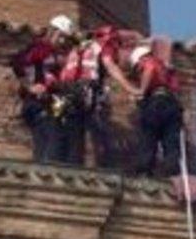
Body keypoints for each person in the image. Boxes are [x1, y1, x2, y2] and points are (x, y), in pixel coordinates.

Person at [53, 25, 139, 168]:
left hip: (66, 93)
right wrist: (130, 88)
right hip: (86, 92)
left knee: (68, 126)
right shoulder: (103, 47)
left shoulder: (77, 46)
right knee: (96, 128)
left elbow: (55, 48)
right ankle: (102, 165)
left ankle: (69, 163)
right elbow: (110, 66)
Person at [10, 15, 73, 162]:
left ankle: (43, 168)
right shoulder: (39, 49)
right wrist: (30, 87)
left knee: (46, 138)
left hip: (50, 104)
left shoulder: (54, 54)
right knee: (53, 138)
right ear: (53, 31)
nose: (63, 42)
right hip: (38, 103)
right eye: (61, 36)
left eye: (66, 39)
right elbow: (17, 68)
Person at [130, 45, 183, 177]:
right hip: (172, 105)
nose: (138, 71)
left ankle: (144, 170)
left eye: (137, 68)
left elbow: (150, 69)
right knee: (170, 141)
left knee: (149, 137)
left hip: (156, 103)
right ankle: (171, 170)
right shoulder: (166, 68)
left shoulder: (148, 61)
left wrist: (141, 91)